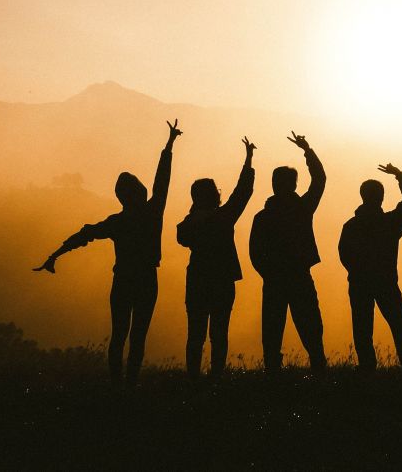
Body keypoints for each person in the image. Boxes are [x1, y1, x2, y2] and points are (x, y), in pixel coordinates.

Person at [34, 119, 181, 386]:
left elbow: (84, 234)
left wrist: (55, 254)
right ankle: (130, 384)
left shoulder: (117, 222)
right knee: (137, 336)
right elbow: (163, 180)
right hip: (147, 279)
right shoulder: (152, 212)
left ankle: (117, 385)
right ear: (139, 192)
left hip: (123, 279)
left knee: (119, 335)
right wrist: (169, 146)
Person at [176, 137, 256, 378]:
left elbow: (181, 237)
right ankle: (216, 378)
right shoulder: (223, 217)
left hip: (198, 280)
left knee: (196, 334)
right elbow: (243, 192)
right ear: (215, 196)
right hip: (222, 281)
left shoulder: (190, 223)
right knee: (218, 333)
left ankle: (193, 379)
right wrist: (249, 160)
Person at [249, 132, 327, 373]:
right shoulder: (302, 209)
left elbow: (255, 252)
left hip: (274, 279)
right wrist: (307, 149)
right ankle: (318, 367)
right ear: (293, 185)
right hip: (298, 275)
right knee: (310, 325)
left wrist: (268, 272)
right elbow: (320, 179)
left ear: (274, 184)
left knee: (272, 328)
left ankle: (273, 370)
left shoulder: (263, 216)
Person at [338, 163, 402, 374]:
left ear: (362, 196)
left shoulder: (351, 226)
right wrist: (399, 175)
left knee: (362, 328)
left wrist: (358, 271)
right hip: (386, 281)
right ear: (381, 197)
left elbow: (344, 254)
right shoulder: (390, 223)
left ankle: (367, 368)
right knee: (398, 324)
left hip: (359, 282)